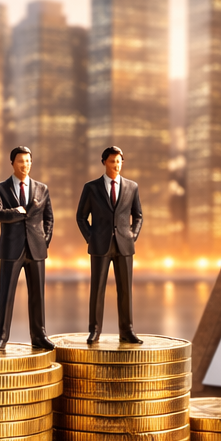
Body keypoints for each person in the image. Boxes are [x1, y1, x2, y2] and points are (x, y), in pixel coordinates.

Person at [0, 146, 55, 351]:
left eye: (28, 161)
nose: (25, 165)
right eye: (20, 161)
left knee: (38, 295)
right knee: (6, 295)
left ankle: (39, 336)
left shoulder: (42, 189)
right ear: (12, 163)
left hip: (36, 249)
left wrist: (44, 241)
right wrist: (21, 211)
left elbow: (49, 219)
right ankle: (1, 338)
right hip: (11, 249)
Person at [76, 145, 143, 344]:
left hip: (125, 245)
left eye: (119, 161)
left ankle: (127, 331)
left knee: (125, 290)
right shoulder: (91, 187)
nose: (116, 165)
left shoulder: (132, 187)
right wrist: (91, 237)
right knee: (97, 290)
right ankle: (95, 331)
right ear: (104, 162)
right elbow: (81, 217)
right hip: (100, 245)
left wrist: (132, 235)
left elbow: (138, 216)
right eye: (112, 161)